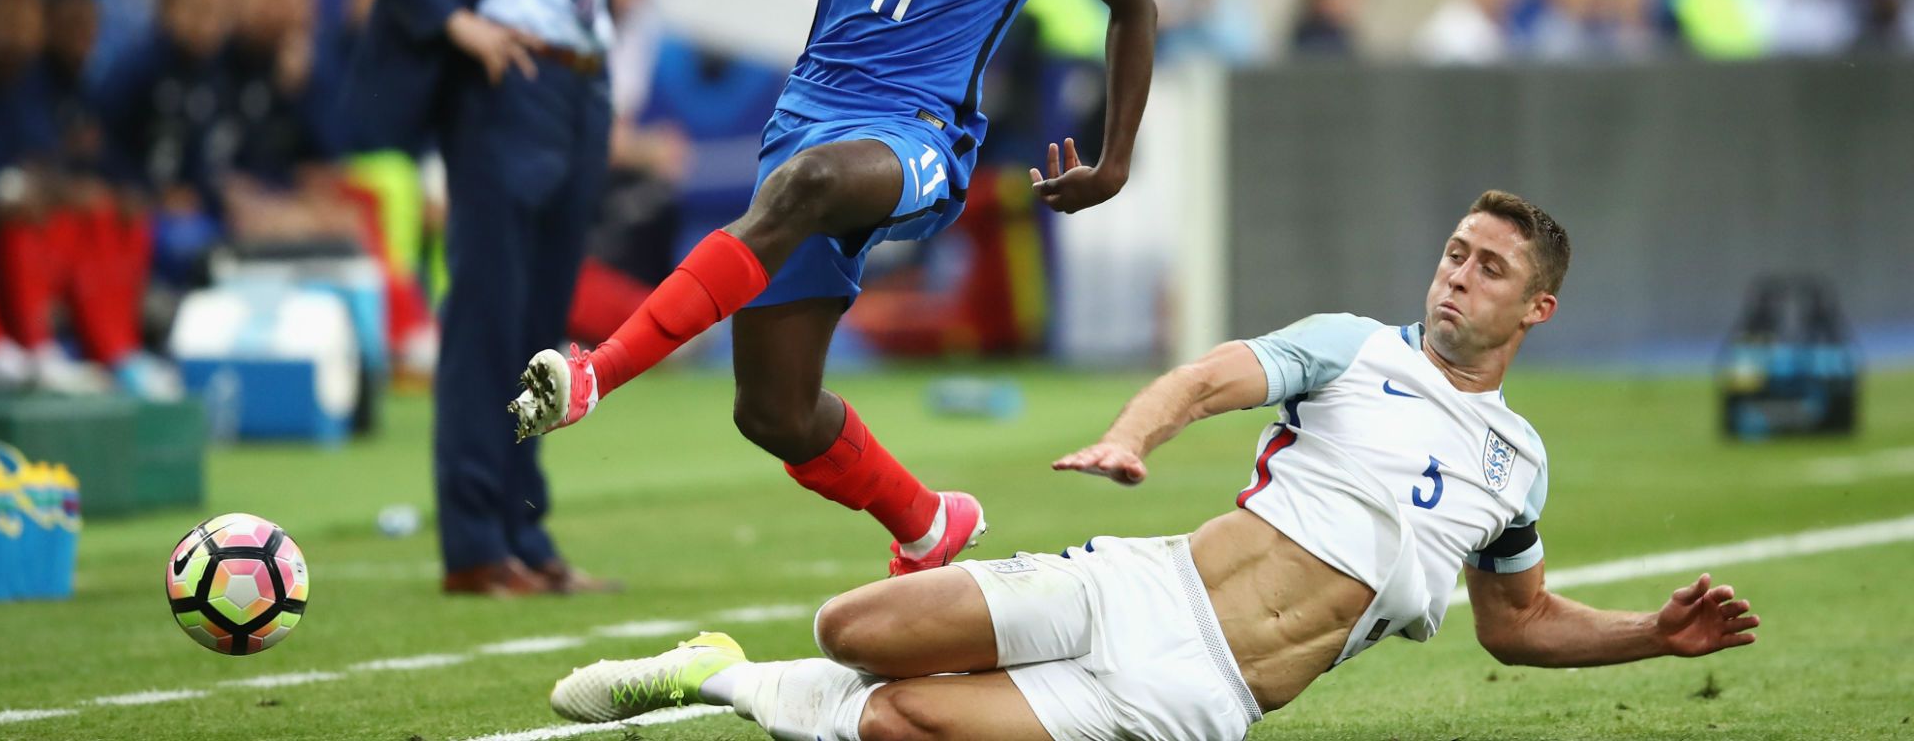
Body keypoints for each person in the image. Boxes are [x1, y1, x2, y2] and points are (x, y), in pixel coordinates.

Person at [540, 190, 1761, 740]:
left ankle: (724, 682)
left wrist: (1656, 634)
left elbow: (1520, 624)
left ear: (1535, 310)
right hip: (1144, 584)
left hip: (1199, 701)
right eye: (1454, 251)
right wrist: (1136, 434)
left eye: (1490, 268)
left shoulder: (1519, 465)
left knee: (911, 721)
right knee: (855, 627)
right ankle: (724, 665)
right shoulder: (1352, 349)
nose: (1457, 274)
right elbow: (1209, 376)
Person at [498, 0, 1157, 576]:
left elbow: (1136, 7)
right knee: (772, 411)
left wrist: (1114, 159)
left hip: (922, 138)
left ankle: (594, 373)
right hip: (810, 114)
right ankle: (928, 524)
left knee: (805, 187)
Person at [330, 0, 618, 597]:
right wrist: (455, 20)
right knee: (487, 321)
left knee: (543, 331)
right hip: (504, 82)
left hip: (580, 85)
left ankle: (526, 537)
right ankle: (473, 547)